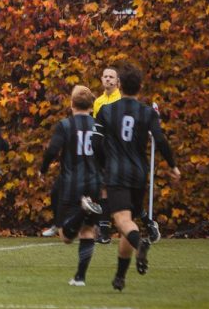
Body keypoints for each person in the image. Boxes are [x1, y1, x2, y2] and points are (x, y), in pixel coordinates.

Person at [94, 64, 180, 292]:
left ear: (119, 84)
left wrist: (103, 165)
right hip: (139, 172)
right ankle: (120, 277)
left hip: (117, 172)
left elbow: (96, 143)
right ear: (140, 87)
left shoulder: (107, 111)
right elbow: (160, 140)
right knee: (129, 223)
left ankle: (141, 243)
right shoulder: (148, 112)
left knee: (122, 220)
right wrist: (173, 165)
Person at [39, 85, 104, 286]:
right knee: (88, 231)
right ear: (92, 105)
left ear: (71, 103)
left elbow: (52, 150)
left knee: (66, 236)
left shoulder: (66, 125)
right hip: (93, 182)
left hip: (71, 183)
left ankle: (81, 212)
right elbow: (105, 156)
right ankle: (80, 277)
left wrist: (43, 169)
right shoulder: (99, 127)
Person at [91, 66, 121, 244]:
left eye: (112, 77)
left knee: (119, 191)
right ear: (101, 79)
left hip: (118, 151)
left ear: (118, 82)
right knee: (102, 189)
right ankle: (104, 231)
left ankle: (145, 223)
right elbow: (97, 128)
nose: (108, 79)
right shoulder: (98, 102)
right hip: (103, 151)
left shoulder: (121, 99)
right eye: (105, 76)